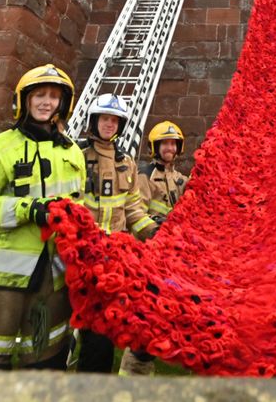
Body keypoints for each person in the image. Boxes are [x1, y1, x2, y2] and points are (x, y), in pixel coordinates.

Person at [0, 64, 85, 370]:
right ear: (23, 101)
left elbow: (80, 206)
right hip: (2, 279)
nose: (46, 102)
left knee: (46, 361)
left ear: (63, 104)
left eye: (53, 97)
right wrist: (29, 210)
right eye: (39, 95)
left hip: (53, 278)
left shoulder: (72, 152)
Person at [75, 93, 159, 373]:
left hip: (111, 259)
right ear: (93, 121)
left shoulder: (127, 163)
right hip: (77, 254)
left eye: (115, 121)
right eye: (104, 119)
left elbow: (133, 208)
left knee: (100, 333)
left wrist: (155, 233)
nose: (109, 125)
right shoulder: (76, 156)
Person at [117, 120, 191, 376]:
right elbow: (136, 211)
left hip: (176, 258)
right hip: (151, 257)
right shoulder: (145, 176)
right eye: (164, 143)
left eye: (173, 143)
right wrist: (157, 228)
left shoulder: (182, 179)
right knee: (145, 321)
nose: (169, 147)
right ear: (155, 147)